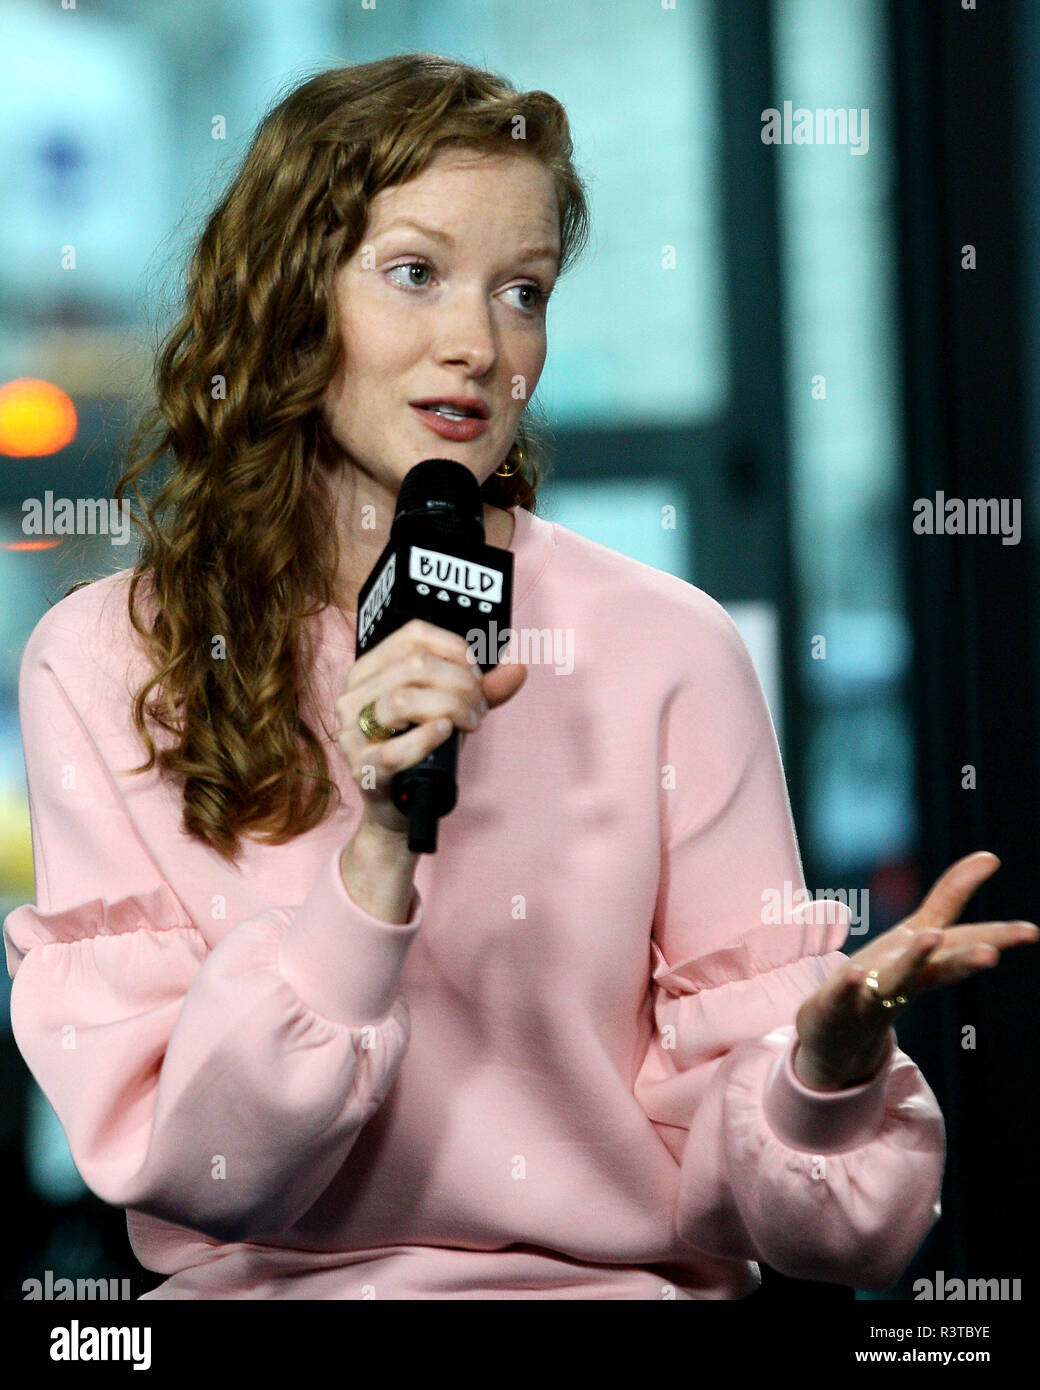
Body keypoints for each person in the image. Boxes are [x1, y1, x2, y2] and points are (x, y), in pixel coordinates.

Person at [4, 54, 1036, 1302]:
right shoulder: (108, 656)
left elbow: (826, 1236)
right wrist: (379, 847)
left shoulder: (667, 646)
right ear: (286, 297)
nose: (479, 344)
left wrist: (821, 1076)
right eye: (414, 273)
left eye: (523, 292)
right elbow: (202, 1171)